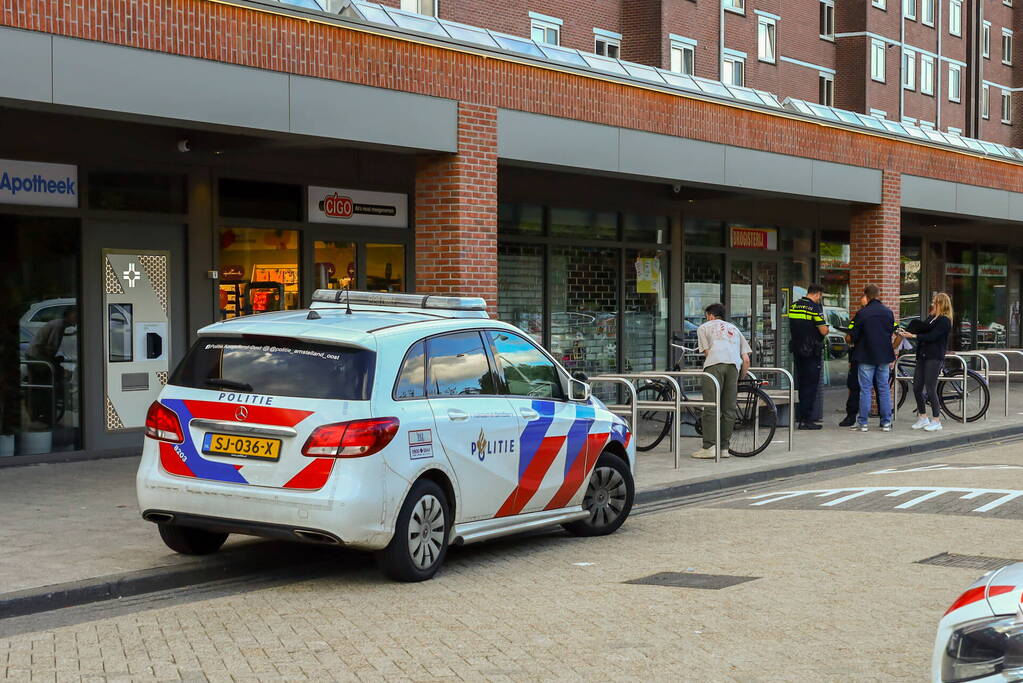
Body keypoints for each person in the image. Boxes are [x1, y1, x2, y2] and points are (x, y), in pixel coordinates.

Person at [692, 303, 752, 459]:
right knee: (728, 409)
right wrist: (740, 378)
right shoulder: (735, 329)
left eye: (707, 316)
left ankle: (709, 447)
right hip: (734, 367)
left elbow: (707, 353)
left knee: (711, 406)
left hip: (714, 365)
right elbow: (746, 359)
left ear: (710, 316)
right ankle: (724, 448)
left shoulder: (704, 328)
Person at [899, 292, 953, 432]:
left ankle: (936, 420)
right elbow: (924, 330)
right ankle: (923, 417)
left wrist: (914, 335)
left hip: (934, 357)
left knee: (930, 388)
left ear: (941, 304)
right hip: (923, 356)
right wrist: (909, 332)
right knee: (917, 387)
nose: (932, 304)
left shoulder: (944, 321)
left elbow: (932, 336)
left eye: (935, 302)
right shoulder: (931, 318)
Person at [849, 285, 896, 432]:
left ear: (867, 296)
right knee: (883, 389)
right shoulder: (888, 313)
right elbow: (890, 332)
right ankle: (886, 422)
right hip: (883, 356)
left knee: (865, 389)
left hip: (866, 355)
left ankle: (863, 423)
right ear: (878, 295)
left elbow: (854, 336)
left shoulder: (862, 313)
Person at [26, 306, 77, 427]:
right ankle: (44, 413)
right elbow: (50, 348)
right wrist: (54, 360)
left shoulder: (59, 325)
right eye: (74, 316)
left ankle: (43, 413)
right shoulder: (58, 326)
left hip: (38, 357)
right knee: (46, 385)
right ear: (68, 316)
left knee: (44, 385)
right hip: (37, 358)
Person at [787, 284, 829, 430]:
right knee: (810, 385)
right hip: (811, 351)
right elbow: (823, 331)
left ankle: (800, 416)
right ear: (817, 294)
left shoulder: (793, 306)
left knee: (802, 383)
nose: (820, 299)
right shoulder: (814, 308)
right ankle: (806, 419)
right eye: (820, 296)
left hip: (798, 350)